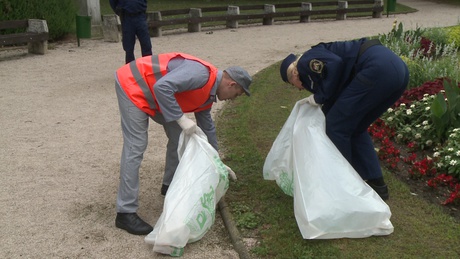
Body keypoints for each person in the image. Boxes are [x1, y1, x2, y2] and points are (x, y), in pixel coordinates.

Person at [114, 52, 252, 235]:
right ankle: (125, 212)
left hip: (154, 93)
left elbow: (207, 127)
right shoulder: (201, 75)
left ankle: (169, 184)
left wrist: (216, 161)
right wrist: (180, 117)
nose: (232, 99)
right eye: (236, 94)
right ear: (231, 84)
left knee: (178, 134)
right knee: (136, 146)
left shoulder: (208, 95)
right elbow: (162, 87)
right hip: (133, 84)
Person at [279, 38, 409, 201]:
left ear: (294, 74)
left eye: (293, 84)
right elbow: (336, 87)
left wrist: (320, 97)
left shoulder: (305, 62)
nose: (299, 89)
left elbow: (336, 63)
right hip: (397, 71)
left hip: (375, 68)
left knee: (336, 127)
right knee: (355, 127)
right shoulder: (316, 59)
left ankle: (343, 185)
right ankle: (376, 184)